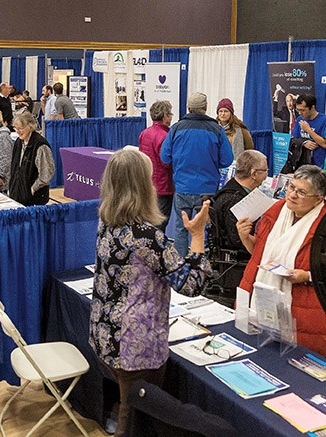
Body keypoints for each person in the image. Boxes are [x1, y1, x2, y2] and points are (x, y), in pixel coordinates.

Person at [89, 148, 212, 437]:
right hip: (137, 347)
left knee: (128, 410)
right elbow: (192, 284)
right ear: (144, 187)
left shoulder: (106, 221)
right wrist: (196, 236)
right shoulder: (148, 237)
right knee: (134, 422)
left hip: (105, 335)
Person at [236, 165, 326, 356]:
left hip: (303, 310)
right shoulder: (277, 210)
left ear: (319, 199)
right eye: (291, 187)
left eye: (301, 192)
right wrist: (245, 238)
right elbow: (260, 254)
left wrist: (307, 276)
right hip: (261, 298)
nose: (292, 195)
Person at [161, 92, 234, 256]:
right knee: (206, 228)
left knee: (181, 228)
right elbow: (227, 160)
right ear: (206, 108)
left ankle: (180, 263)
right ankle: (202, 262)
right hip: (207, 189)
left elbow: (165, 158)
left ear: (188, 108)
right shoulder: (216, 129)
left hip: (183, 187)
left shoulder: (176, 128)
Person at [214, 150, 268, 253]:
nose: (266, 175)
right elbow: (237, 240)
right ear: (254, 174)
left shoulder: (231, 189)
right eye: (265, 170)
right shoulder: (236, 200)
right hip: (240, 254)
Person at [138, 100, 174, 231]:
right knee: (160, 222)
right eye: (170, 114)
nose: (171, 117)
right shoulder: (165, 136)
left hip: (149, 183)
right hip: (163, 186)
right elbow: (166, 162)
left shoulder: (145, 133)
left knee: (149, 220)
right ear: (164, 116)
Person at [7, 112, 55, 206]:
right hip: (17, 196)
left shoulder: (40, 145)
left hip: (34, 199)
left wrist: (32, 189)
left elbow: (46, 174)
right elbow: (14, 168)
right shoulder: (18, 142)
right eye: (16, 128)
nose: (18, 131)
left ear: (30, 126)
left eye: (21, 128)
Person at [291, 94, 326, 168]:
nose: (300, 113)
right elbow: (293, 139)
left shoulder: (325, 121)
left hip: (319, 164)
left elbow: (325, 144)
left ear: (312, 107)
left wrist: (309, 130)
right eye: (298, 110)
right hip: (303, 163)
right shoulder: (300, 119)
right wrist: (304, 143)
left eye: (303, 110)